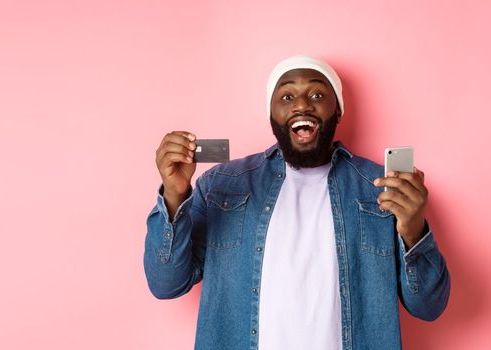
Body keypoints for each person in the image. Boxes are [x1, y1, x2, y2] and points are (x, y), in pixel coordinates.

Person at [143, 55, 450, 349]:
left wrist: (413, 230)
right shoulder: (223, 185)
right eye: (287, 97)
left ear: (338, 110)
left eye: (317, 94)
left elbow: (429, 306)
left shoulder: (380, 187)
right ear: (271, 113)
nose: (302, 104)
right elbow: (166, 284)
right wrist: (174, 195)